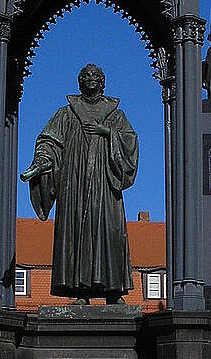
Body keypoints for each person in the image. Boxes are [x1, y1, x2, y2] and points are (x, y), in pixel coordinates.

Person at [21, 63, 139, 303]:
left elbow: (130, 143)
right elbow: (49, 141)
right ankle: (81, 291)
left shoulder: (116, 114)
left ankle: (113, 291)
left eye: (95, 75)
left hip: (105, 184)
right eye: (86, 75)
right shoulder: (66, 113)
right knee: (77, 232)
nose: (91, 78)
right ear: (80, 81)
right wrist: (42, 161)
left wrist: (108, 132)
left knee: (109, 231)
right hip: (74, 183)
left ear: (102, 82)